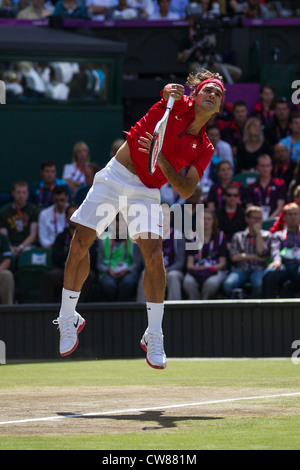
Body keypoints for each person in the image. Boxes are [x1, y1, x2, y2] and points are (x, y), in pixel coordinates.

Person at [52, 68, 225, 370]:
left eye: (218, 94)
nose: (212, 95)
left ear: (219, 107)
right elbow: (168, 92)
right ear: (195, 95)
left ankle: (154, 334)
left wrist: (159, 159)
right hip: (115, 175)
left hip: (147, 190)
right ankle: (68, 316)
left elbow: (185, 190)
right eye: (208, 90)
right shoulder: (175, 103)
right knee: (81, 241)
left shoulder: (205, 148)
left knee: (154, 255)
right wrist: (168, 91)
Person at [40, 205, 97, 303]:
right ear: (66, 218)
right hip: (64, 270)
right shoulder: (61, 237)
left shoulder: (88, 235)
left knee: (90, 276)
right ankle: (45, 310)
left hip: (81, 270)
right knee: (48, 276)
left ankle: (77, 307)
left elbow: (93, 257)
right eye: (71, 215)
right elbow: (56, 257)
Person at [222, 205, 278, 298]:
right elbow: (234, 257)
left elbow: (262, 253)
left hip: (259, 269)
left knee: (259, 284)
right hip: (241, 269)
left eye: (259, 218)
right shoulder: (238, 236)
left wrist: (258, 234)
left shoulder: (267, 235)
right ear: (247, 219)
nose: (257, 221)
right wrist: (255, 257)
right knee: (228, 284)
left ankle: (252, 309)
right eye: (254, 218)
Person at [177, 5, 242, 83]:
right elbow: (179, 59)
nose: (195, 21)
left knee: (236, 72)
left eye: (197, 18)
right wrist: (184, 54)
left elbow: (213, 51)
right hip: (195, 63)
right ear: (188, 20)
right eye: (192, 18)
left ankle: (223, 90)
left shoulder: (206, 33)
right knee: (198, 70)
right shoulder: (185, 37)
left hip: (210, 63)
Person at [137, 203, 185, 301]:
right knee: (144, 273)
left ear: (170, 217)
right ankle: (142, 310)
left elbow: (180, 262)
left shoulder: (178, 235)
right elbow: (144, 260)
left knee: (174, 276)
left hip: (172, 270)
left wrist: (166, 270)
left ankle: (174, 309)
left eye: (166, 215)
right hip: (153, 269)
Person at [95, 214, 143, 301]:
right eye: (116, 221)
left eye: (121, 221)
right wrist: (108, 270)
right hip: (109, 272)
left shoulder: (134, 240)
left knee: (128, 283)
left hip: (128, 271)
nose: (118, 224)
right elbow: (99, 264)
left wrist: (126, 270)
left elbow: (137, 264)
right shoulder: (103, 240)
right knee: (108, 285)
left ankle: (122, 308)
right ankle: (113, 309)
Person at [183, 208, 227, 300]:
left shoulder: (220, 236)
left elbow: (222, 262)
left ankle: (204, 307)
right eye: (203, 219)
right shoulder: (191, 237)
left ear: (213, 221)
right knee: (188, 282)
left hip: (215, 270)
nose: (206, 221)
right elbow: (189, 264)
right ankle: (194, 307)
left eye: (209, 219)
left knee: (211, 284)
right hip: (196, 270)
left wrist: (209, 269)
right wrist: (198, 269)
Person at [263, 203, 300, 298]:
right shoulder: (278, 235)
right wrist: (277, 260)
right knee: (270, 273)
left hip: (298, 264)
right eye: (290, 214)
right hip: (283, 264)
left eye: (296, 214)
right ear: (285, 217)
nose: (293, 217)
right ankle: (269, 306)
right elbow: (275, 249)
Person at [0, 181, 39, 258]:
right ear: (13, 193)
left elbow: (33, 235)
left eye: (23, 193)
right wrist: (10, 248)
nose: (21, 195)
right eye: (18, 192)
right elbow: (4, 235)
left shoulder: (33, 210)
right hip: (10, 246)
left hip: (27, 246)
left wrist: (20, 247)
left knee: (27, 252)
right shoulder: (4, 212)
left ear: (28, 194)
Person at [246, 153, 286, 221]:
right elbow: (249, 207)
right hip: (256, 221)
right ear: (257, 167)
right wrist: (258, 220)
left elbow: (280, 207)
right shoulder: (251, 186)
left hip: (274, 221)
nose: (265, 169)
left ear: (271, 167)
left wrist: (268, 221)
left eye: (267, 166)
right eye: (262, 166)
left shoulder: (280, 184)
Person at [0, 233, 14, 305]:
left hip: (0, 271)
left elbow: (8, 259)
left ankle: (8, 310)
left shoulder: (2, 238)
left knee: (7, 275)